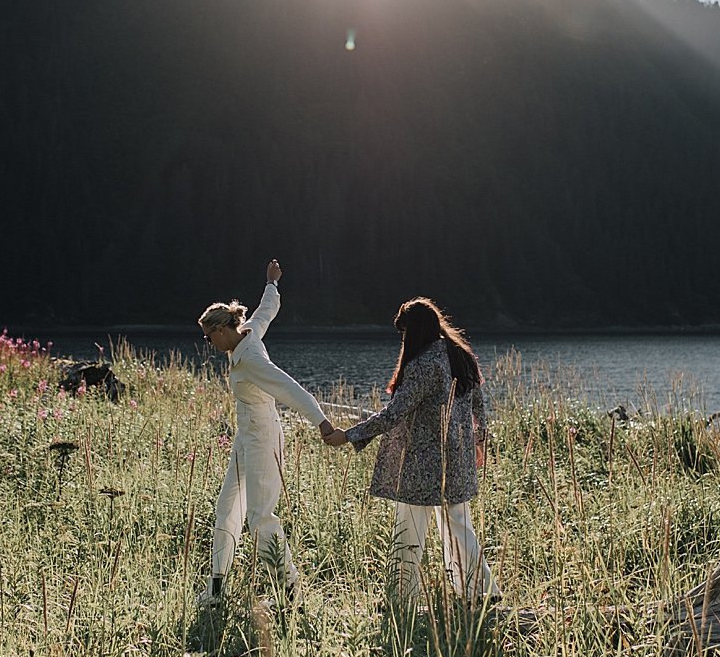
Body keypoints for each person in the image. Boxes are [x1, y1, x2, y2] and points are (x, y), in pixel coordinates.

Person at [323, 297, 500, 604]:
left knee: (409, 528)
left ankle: (401, 597)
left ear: (414, 331)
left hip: (424, 462)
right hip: (459, 458)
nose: (403, 340)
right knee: (459, 525)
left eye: (404, 333)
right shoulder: (461, 356)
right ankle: (482, 592)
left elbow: (394, 414)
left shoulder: (424, 366)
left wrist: (349, 436)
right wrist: (480, 443)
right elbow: (478, 408)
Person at [196, 258, 335, 607]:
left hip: (263, 441)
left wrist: (321, 422)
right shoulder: (246, 334)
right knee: (226, 509)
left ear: (222, 330)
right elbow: (266, 311)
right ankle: (216, 589)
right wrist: (272, 282)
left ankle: (289, 592)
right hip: (246, 439)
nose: (207, 342)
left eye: (208, 336)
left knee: (260, 516)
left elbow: (289, 388)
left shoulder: (253, 359)